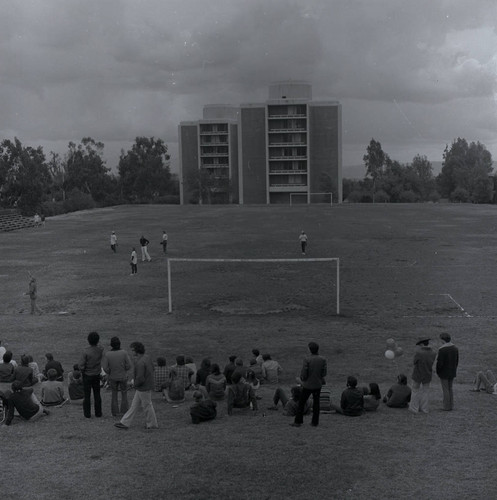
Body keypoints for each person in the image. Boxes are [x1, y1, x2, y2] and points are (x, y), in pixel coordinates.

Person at [115, 342, 158, 430]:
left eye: (133, 350)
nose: (132, 352)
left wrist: (134, 384)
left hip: (143, 387)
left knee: (147, 405)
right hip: (146, 385)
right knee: (134, 405)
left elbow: (140, 378)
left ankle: (152, 424)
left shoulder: (140, 362)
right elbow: (152, 369)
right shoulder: (147, 358)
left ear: (137, 350)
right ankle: (124, 422)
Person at [292, 342, 327, 427]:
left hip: (307, 385)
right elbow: (324, 373)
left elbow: (304, 374)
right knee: (316, 403)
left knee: (302, 402)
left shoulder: (307, 359)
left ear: (310, 350)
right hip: (317, 384)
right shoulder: (323, 359)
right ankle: (315, 422)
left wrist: (302, 380)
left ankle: (298, 421)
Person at [102, 336, 132, 417]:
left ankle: (115, 413)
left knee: (114, 394)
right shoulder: (124, 353)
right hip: (123, 376)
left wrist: (110, 372)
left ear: (111, 345)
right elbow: (129, 365)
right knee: (124, 394)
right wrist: (124, 369)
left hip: (113, 377)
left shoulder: (108, 354)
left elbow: (105, 368)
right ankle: (124, 412)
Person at [79, 331, 104, 419]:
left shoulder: (86, 351)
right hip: (96, 374)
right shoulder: (100, 350)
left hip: (87, 374)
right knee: (97, 394)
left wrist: (83, 370)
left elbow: (81, 365)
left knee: (87, 395)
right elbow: (101, 347)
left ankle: (87, 414)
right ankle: (98, 412)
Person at [409, 338, 437, 414]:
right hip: (427, 373)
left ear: (421, 344)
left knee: (415, 391)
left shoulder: (419, 353)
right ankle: (424, 409)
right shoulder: (433, 352)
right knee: (425, 392)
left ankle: (414, 408)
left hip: (418, 373)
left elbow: (414, 362)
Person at [436, 333, 459, 411]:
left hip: (444, 372)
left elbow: (440, 363)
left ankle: (446, 406)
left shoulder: (442, 350)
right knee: (450, 388)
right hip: (452, 371)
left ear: (443, 340)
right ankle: (451, 405)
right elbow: (457, 361)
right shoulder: (455, 348)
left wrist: (438, 371)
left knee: (445, 389)